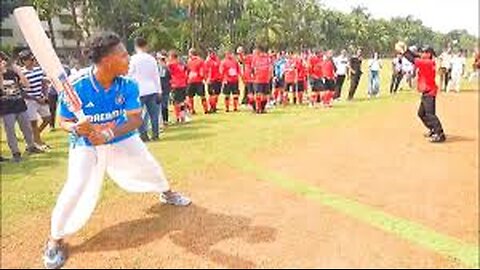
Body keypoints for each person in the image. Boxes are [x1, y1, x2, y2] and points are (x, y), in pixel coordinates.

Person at [42, 33, 191, 270]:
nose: (129, 59)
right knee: (76, 186)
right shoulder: (77, 85)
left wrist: (108, 134)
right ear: (107, 61)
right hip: (85, 144)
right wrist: (76, 128)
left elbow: (134, 119)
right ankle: (55, 239)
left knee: (148, 164)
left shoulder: (128, 84)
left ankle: (166, 192)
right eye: (123, 55)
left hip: (121, 136)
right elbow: (62, 120)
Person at [396, 42, 446, 143]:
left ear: (429, 54)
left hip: (429, 92)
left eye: (424, 52)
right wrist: (406, 49)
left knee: (430, 114)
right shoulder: (428, 60)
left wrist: (403, 51)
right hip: (426, 92)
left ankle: (440, 134)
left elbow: (413, 59)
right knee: (421, 113)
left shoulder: (427, 63)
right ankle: (433, 129)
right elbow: (415, 55)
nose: (422, 53)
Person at [1, 51, 43, 162]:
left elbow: (26, 84)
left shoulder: (12, 72)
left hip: (19, 104)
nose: (2, 63)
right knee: (10, 131)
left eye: (3, 60)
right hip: (6, 107)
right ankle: (15, 152)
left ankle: (31, 146)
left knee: (27, 128)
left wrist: (19, 72)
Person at [128, 37, 162, 142]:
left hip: (139, 90)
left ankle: (143, 134)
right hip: (152, 88)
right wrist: (159, 90)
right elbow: (156, 75)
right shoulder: (151, 59)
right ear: (146, 46)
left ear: (135, 46)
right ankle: (155, 134)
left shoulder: (133, 59)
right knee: (154, 115)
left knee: (138, 114)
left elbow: (129, 74)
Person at [19, 49, 52, 148]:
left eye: (32, 59)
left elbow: (44, 83)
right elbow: (22, 91)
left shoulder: (39, 70)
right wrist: (35, 99)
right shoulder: (21, 73)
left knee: (47, 119)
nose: (33, 61)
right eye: (30, 59)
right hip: (30, 101)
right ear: (24, 61)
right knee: (33, 123)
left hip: (41, 98)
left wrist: (45, 96)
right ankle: (38, 142)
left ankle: (34, 138)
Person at [167, 50, 189, 123]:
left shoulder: (172, 64)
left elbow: (167, 65)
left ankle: (178, 117)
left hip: (176, 85)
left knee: (176, 102)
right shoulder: (181, 64)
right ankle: (183, 116)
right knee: (182, 101)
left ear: (172, 57)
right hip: (183, 84)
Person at [251, 45, 273, 113]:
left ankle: (262, 108)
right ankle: (258, 108)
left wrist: (269, 76)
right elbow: (253, 69)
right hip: (258, 79)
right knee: (258, 94)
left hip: (264, 79)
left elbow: (270, 68)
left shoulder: (267, 58)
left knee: (264, 95)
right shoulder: (255, 58)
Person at [186, 48, 208, 114]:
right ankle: (205, 109)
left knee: (190, 96)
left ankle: (192, 109)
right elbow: (202, 71)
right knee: (202, 96)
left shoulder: (189, 61)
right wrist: (204, 78)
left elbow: (187, 71)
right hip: (198, 81)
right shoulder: (200, 60)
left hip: (191, 80)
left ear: (191, 53)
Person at [204, 49, 222, 113]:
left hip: (218, 79)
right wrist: (206, 79)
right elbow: (205, 72)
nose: (212, 54)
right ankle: (212, 107)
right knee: (212, 94)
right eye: (211, 53)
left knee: (217, 94)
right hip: (211, 80)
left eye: (213, 53)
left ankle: (214, 106)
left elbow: (220, 68)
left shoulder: (217, 59)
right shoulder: (207, 61)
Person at [156, 52, 171, 124]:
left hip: (164, 88)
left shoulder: (166, 68)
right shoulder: (156, 68)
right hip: (160, 88)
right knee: (161, 105)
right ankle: (162, 120)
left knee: (164, 104)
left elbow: (169, 77)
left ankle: (165, 120)